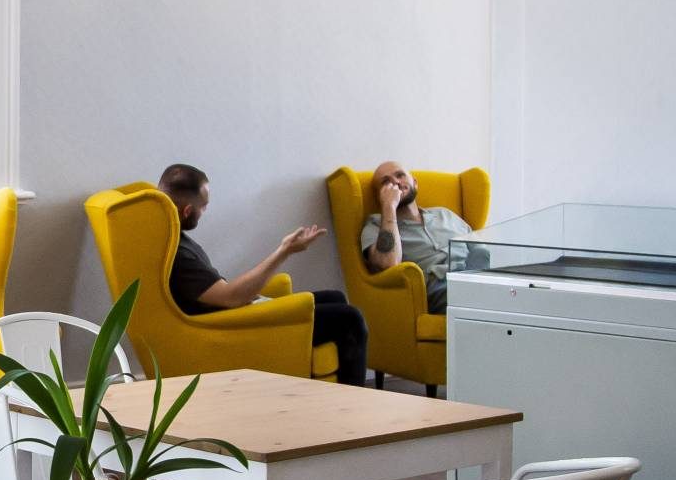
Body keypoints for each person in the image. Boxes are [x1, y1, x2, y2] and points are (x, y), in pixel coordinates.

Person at [157, 163, 370, 386]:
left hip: (235, 313)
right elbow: (231, 298)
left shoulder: (172, 237)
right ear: (187, 211)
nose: (205, 211)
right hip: (233, 325)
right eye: (204, 206)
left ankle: (321, 392)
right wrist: (284, 250)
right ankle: (352, 407)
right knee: (350, 319)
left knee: (334, 297)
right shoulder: (179, 255)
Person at [360, 160, 473, 312]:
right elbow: (388, 262)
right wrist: (389, 206)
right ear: (380, 195)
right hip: (441, 287)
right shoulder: (375, 226)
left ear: (415, 183)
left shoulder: (444, 214)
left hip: (476, 276)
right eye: (386, 182)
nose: (395, 182)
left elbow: (481, 249)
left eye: (400, 175)